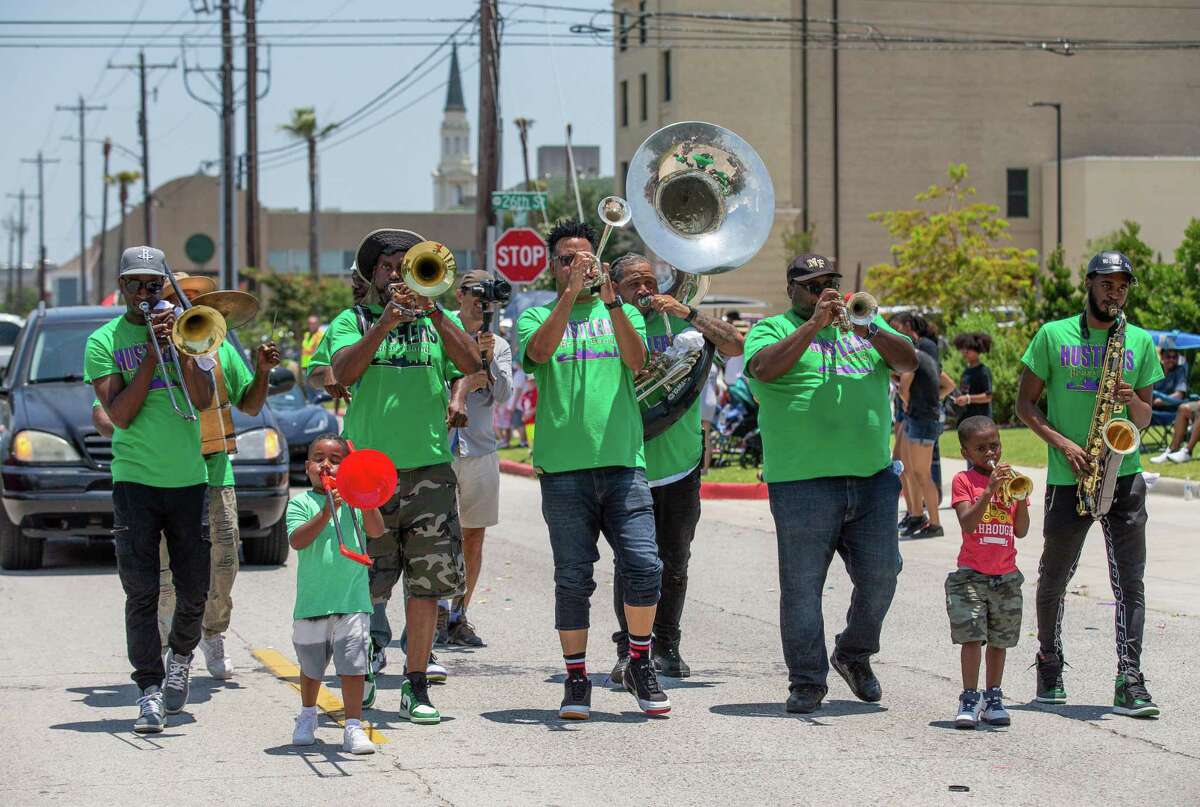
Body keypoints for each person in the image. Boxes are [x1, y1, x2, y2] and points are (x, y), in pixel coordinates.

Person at [744, 253, 917, 714]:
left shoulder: (865, 327)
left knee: (883, 575)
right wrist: (813, 325)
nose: (824, 290)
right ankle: (806, 680)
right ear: (791, 289)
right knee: (803, 587)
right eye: (811, 284)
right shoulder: (772, 329)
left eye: (830, 282)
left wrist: (870, 328)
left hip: (872, 479)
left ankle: (853, 653)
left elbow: (909, 360)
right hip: (801, 483)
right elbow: (763, 369)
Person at [328, 228, 482, 725]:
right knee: (366, 582)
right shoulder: (351, 320)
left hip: (430, 469)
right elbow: (343, 374)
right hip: (368, 473)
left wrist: (435, 311)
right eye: (388, 267)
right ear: (371, 274)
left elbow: (471, 363)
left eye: (406, 265)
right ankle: (366, 663)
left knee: (427, 585)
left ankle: (415, 685)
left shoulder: (441, 321)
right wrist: (385, 323)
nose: (398, 275)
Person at [516, 219, 668, 719]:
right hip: (564, 471)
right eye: (565, 260)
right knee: (573, 579)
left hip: (624, 464)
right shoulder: (535, 315)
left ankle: (639, 662)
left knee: (645, 566)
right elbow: (537, 354)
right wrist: (570, 295)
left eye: (584, 258)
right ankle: (576, 678)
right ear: (552, 266)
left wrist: (608, 298)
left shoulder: (618, 310)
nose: (575, 266)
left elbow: (637, 358)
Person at [1016, 250, 1163, 718]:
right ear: (1089, 283)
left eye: (1122, 286)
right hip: (1070, 474)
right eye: (1106, 284)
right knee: (1055, 578)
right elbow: (1024, 406)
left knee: (1131, 584)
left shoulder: (1138, 341)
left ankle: (1129, 676)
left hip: (1124, 474)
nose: (1114, 292)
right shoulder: (1053, 335)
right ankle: (1049, 662)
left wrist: (1129, 400)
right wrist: (1064, 445)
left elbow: (1145, 414)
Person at [93, 333, 281, 680]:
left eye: (194, 298)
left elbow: (250, 406)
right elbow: (103, 415)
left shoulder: (220, 348)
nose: (186, 304)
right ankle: (169, 643)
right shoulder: (138, 345)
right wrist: (132, 432)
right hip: (162, 475)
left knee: (223, 562)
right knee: (164, 570)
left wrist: (262, 372)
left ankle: (212, 632)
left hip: (213, 470)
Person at [84, 246, 215, 733]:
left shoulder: (189, 332)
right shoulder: (103, 340)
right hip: (135, 480)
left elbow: (202, 401)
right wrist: (149, 357)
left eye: (153, 284)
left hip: (188, 479)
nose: (145, 293)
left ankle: (181, 656)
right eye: (136, 284)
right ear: (122, 287)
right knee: (140, 592)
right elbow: (119, 415)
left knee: (195, 589)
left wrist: (183, 349)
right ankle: (150, 689)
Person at [609, 253, 745, 681]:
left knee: (675, 559)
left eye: (650, 280)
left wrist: (689, 311)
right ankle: (628, 649)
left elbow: (735, 345)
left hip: (681, 464)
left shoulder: (684, 325)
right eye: (634, 283)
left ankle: (667, 644)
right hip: (628, 461)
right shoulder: (612, 323)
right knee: (631, 561)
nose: (645, 289)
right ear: (616, 288)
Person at [287, 434, 383, 751]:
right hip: (313, 602)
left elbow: (376, 530)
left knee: (353, 666)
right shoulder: (301, 502)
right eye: (318, 458)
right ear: (306, 466)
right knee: (311, 666)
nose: (326, 464)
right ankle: (307, 714)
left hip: (352, 601)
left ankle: (353, 725)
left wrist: (364, 494)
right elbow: (297, 540)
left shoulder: (354, 499)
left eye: (336, 460)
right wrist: (326, 512)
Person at [947, 416, 1029, 729]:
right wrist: (989, 491)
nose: (990, 452)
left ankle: (993, 696)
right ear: (966, 452)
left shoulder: (1014, 480)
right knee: (972, 637)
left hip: (1006, 574)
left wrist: (1019, 498)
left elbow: (1021, 530)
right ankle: (970, 697)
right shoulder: (963, 481)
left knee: (1000, 640)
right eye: (981, 448)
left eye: (994, 445)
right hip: (971, 574)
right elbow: (968, 523)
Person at [446, 269, 514, 647]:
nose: (481, 301)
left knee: (473, 537)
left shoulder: (499, 344)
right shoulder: (437, 330)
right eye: (474, 292)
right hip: (438, 448)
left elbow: (502, 393)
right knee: (436, 537)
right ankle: (431, 612)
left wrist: (485, 359)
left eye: (488, 296)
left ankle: (459, 614)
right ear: (459, 294)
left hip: (480, 449)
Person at [892, 312, 956, 539]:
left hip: (921, 419)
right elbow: (948, 383)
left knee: (921, 474)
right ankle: (918, 516)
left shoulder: (912, 357)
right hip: (918, 418)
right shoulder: (922, 354)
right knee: (909, 470)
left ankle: (935, 524)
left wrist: (911, 402)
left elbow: (903, 389)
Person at [1149, 347, 1194, 464]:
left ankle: (1174, 449)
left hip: (1172, 410)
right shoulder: (1155, 371)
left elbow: (1179, 395)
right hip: (1152, 409)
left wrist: (1162, 401)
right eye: (1168, 357)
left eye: (1175, 357)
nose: (1171, 360)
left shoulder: (1180, 371)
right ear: (1162, 357)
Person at [952, 332, 994, 420]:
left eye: (968, 349)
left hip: (981, 419)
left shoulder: (983, 371)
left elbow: (988, 397)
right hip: (966, 418)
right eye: (963, 349)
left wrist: (968, 399)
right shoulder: (965, 372)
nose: (965, 352)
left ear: (977, 351)